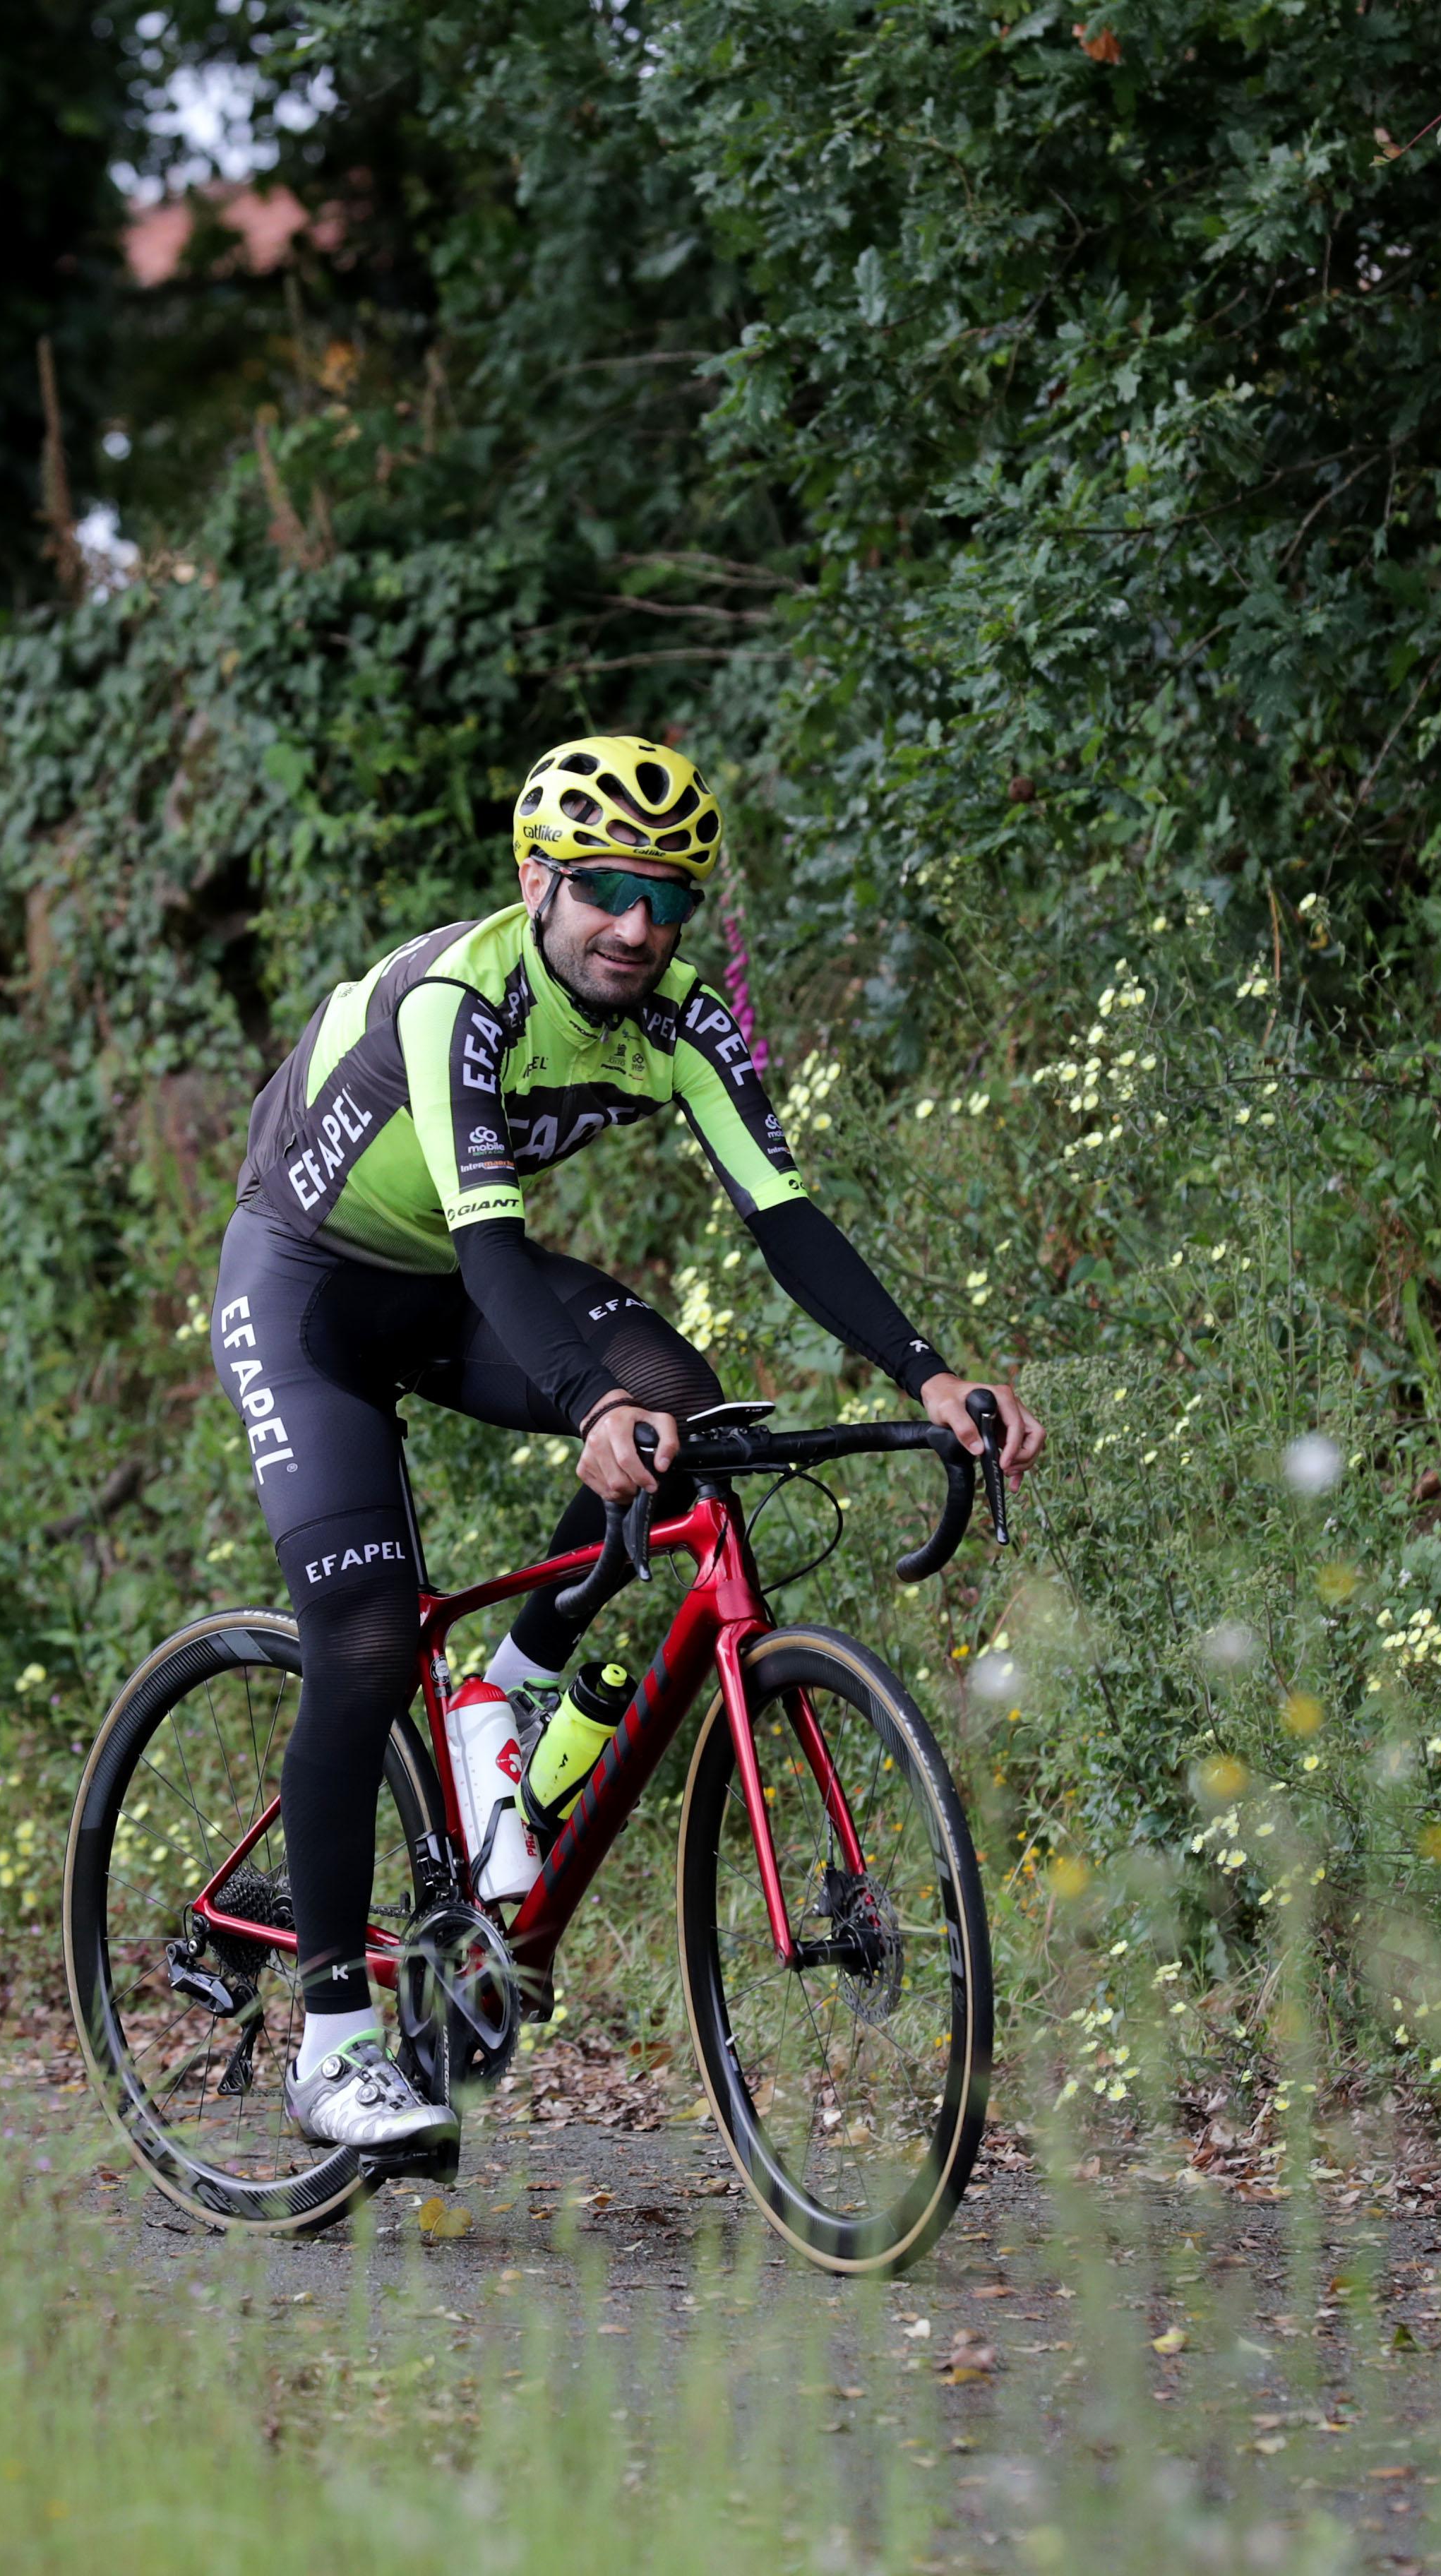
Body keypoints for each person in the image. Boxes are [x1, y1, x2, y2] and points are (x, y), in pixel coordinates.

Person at [214, 733, 1048, 2149]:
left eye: (668, 897)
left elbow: (782, 1212)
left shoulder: (680, 1017)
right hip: (306, 1287)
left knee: (684, 1409)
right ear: (537, 881)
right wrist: (588, 1405)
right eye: (606, 887)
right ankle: (334, 2045)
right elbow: (492, 1242)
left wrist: (928, 1371)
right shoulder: (462, 998)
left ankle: (509, 1688)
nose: (637, 925)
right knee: (363, 1641)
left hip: (446, 1279)